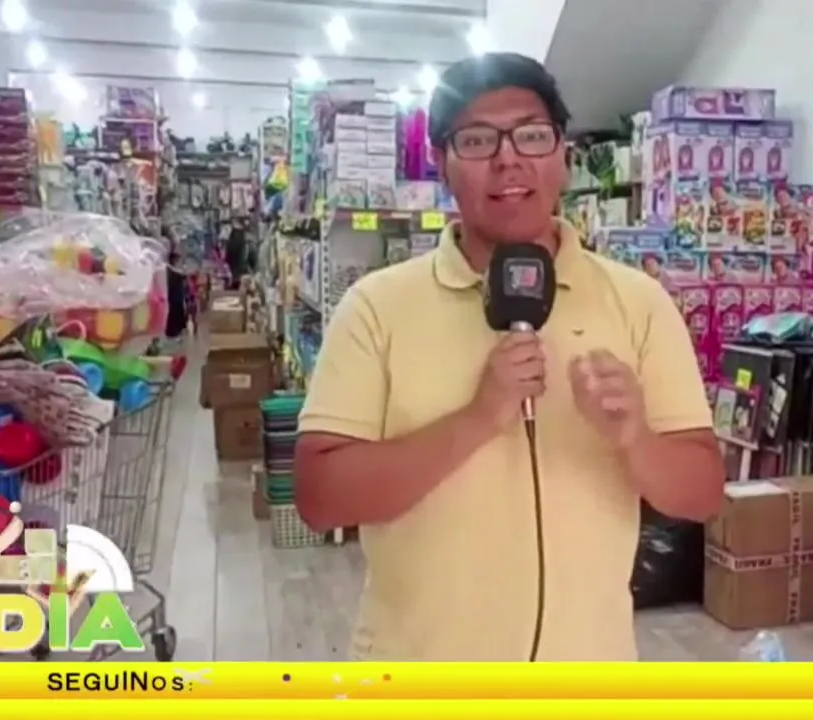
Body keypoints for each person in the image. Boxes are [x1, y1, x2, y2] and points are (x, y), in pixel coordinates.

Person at [293, 53, 723, 662]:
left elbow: (702, 493)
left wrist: (637, 440)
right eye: (476, 140)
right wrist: (478, 418)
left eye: (532, 135)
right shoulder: (376, 307)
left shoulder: (640, 303)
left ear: (564, 154)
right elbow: (320, 498)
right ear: (440, 161)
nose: (508, 159)